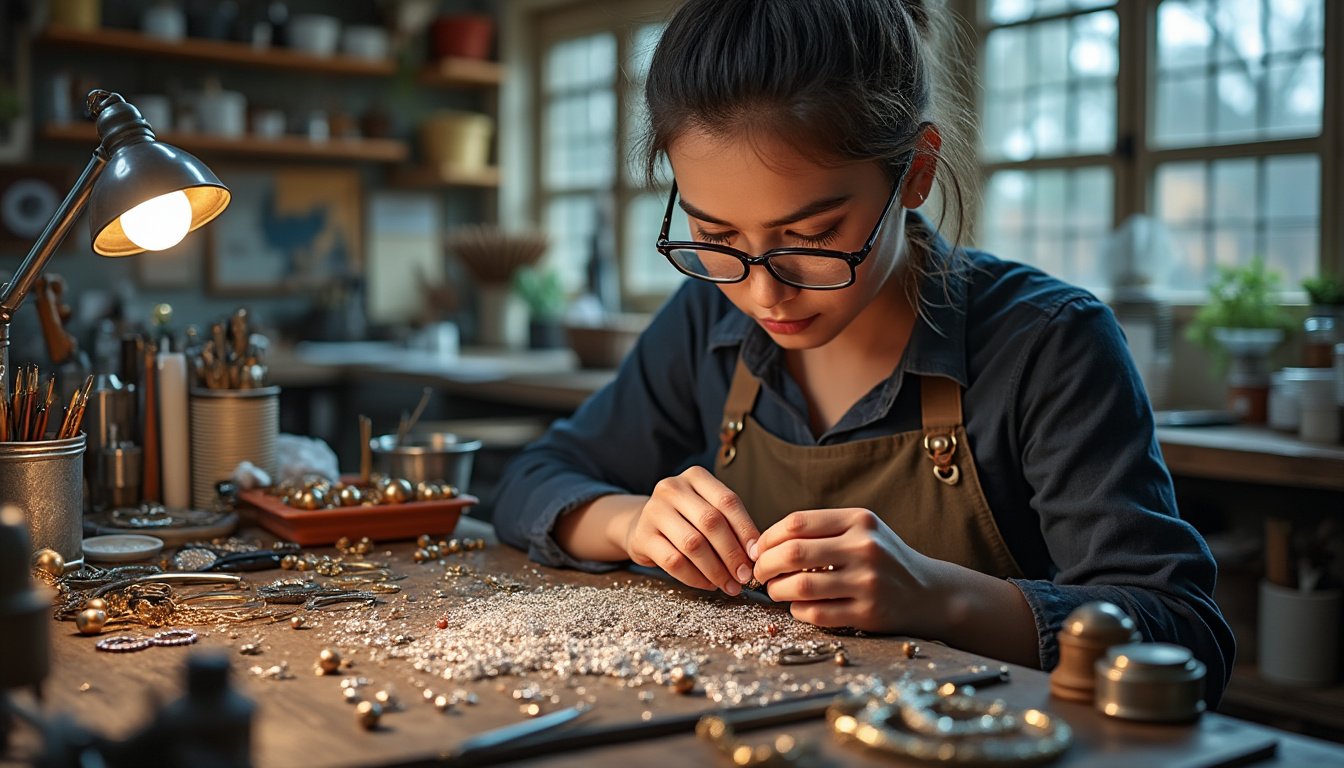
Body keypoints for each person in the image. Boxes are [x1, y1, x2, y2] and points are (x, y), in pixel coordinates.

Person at [494, 0, 1234, 703]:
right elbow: (533, 479)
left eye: (811, 239)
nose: (763, 296)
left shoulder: (1047, 343)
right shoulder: (702, 323)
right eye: (718, 240)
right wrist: (629, 522)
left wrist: (941, 597)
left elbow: (1184, 637)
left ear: (914, 172)